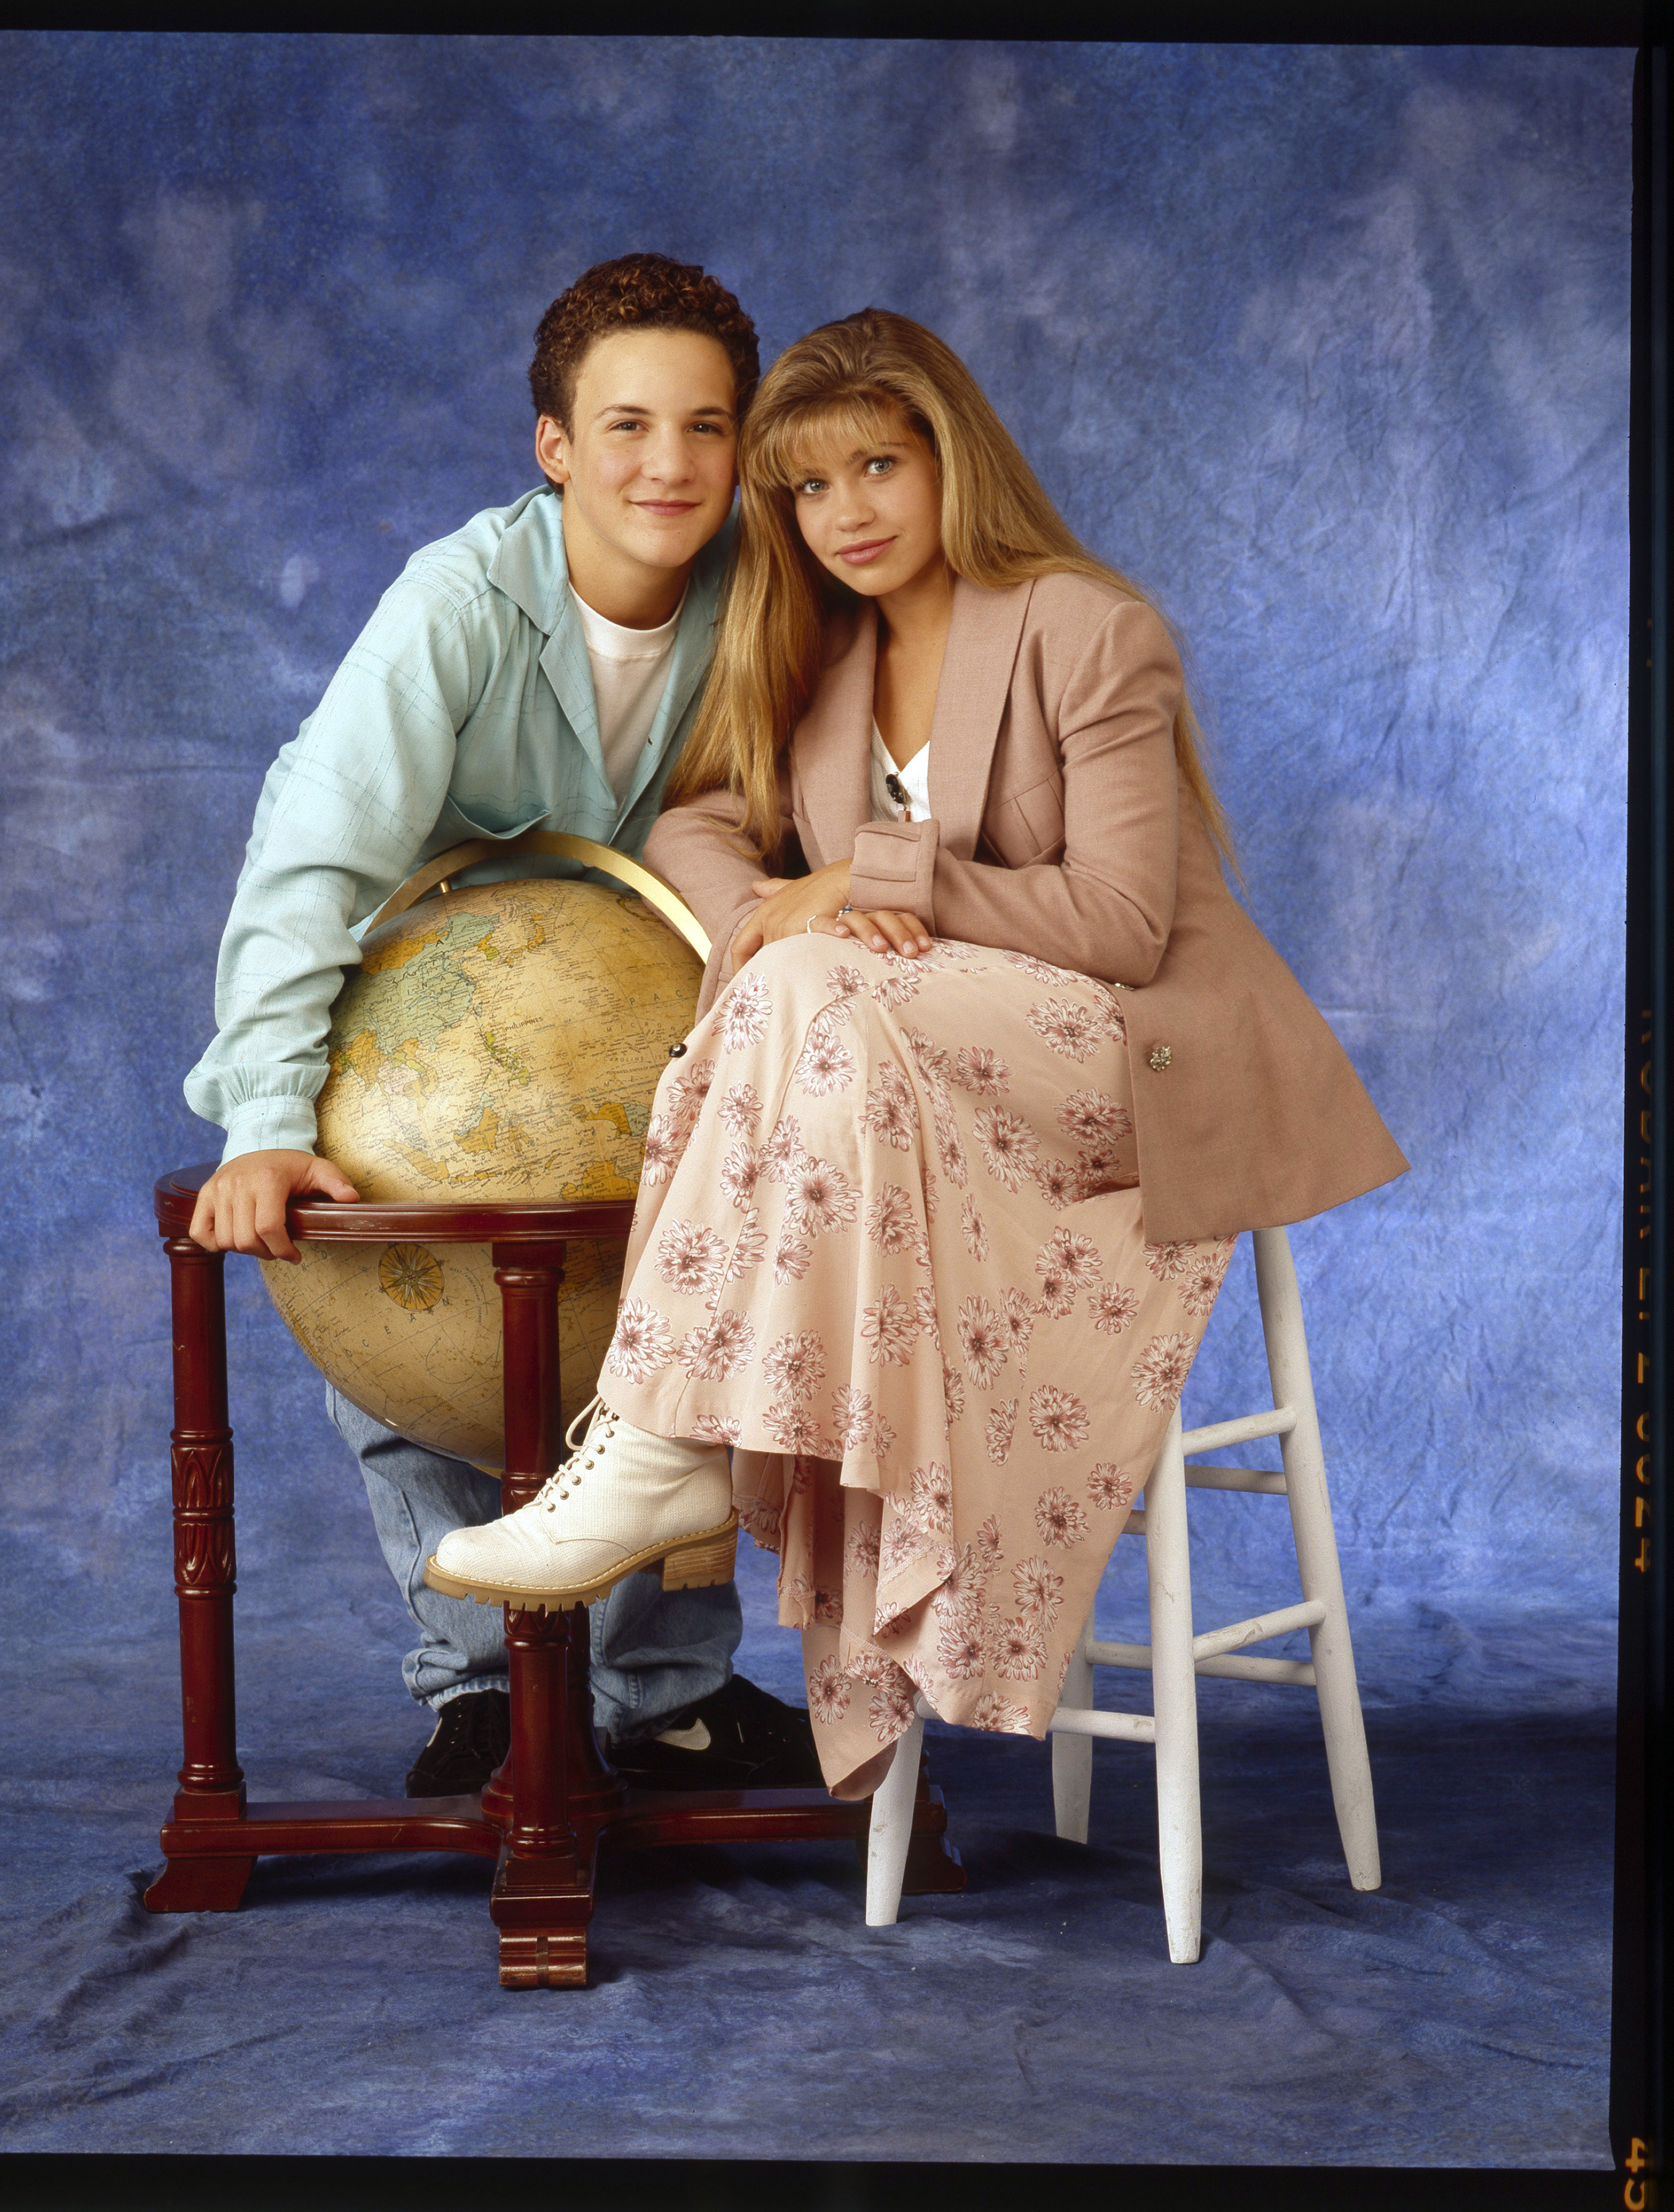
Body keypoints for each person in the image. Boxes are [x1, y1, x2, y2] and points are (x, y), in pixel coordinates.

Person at [423, 307, 1410, 1800]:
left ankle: (665, 1436)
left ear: (954, 458)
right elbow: (695, 817)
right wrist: (767, 906)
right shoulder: (824, 654)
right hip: (912, 1070)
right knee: (797, 976)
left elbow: (1128, 920)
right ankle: (674, 1436)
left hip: (1127, 1067)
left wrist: (879, 882)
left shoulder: (1089, 626)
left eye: (879, 467)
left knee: (811, 977)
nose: (846, 516)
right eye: (810, 489)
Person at [182, 255, 823, 1798]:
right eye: (624, 426)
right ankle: (469, 1684)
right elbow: (312, 864)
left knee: (684, 1311)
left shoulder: (766, 597)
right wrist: (269, 1121)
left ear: (742, 449)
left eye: (705, 428)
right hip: (428, 1010)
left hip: (655, 1018)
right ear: (553, 448)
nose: (666, 465)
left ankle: (667, 1693)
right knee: (404, 1288)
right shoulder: (456, 606)